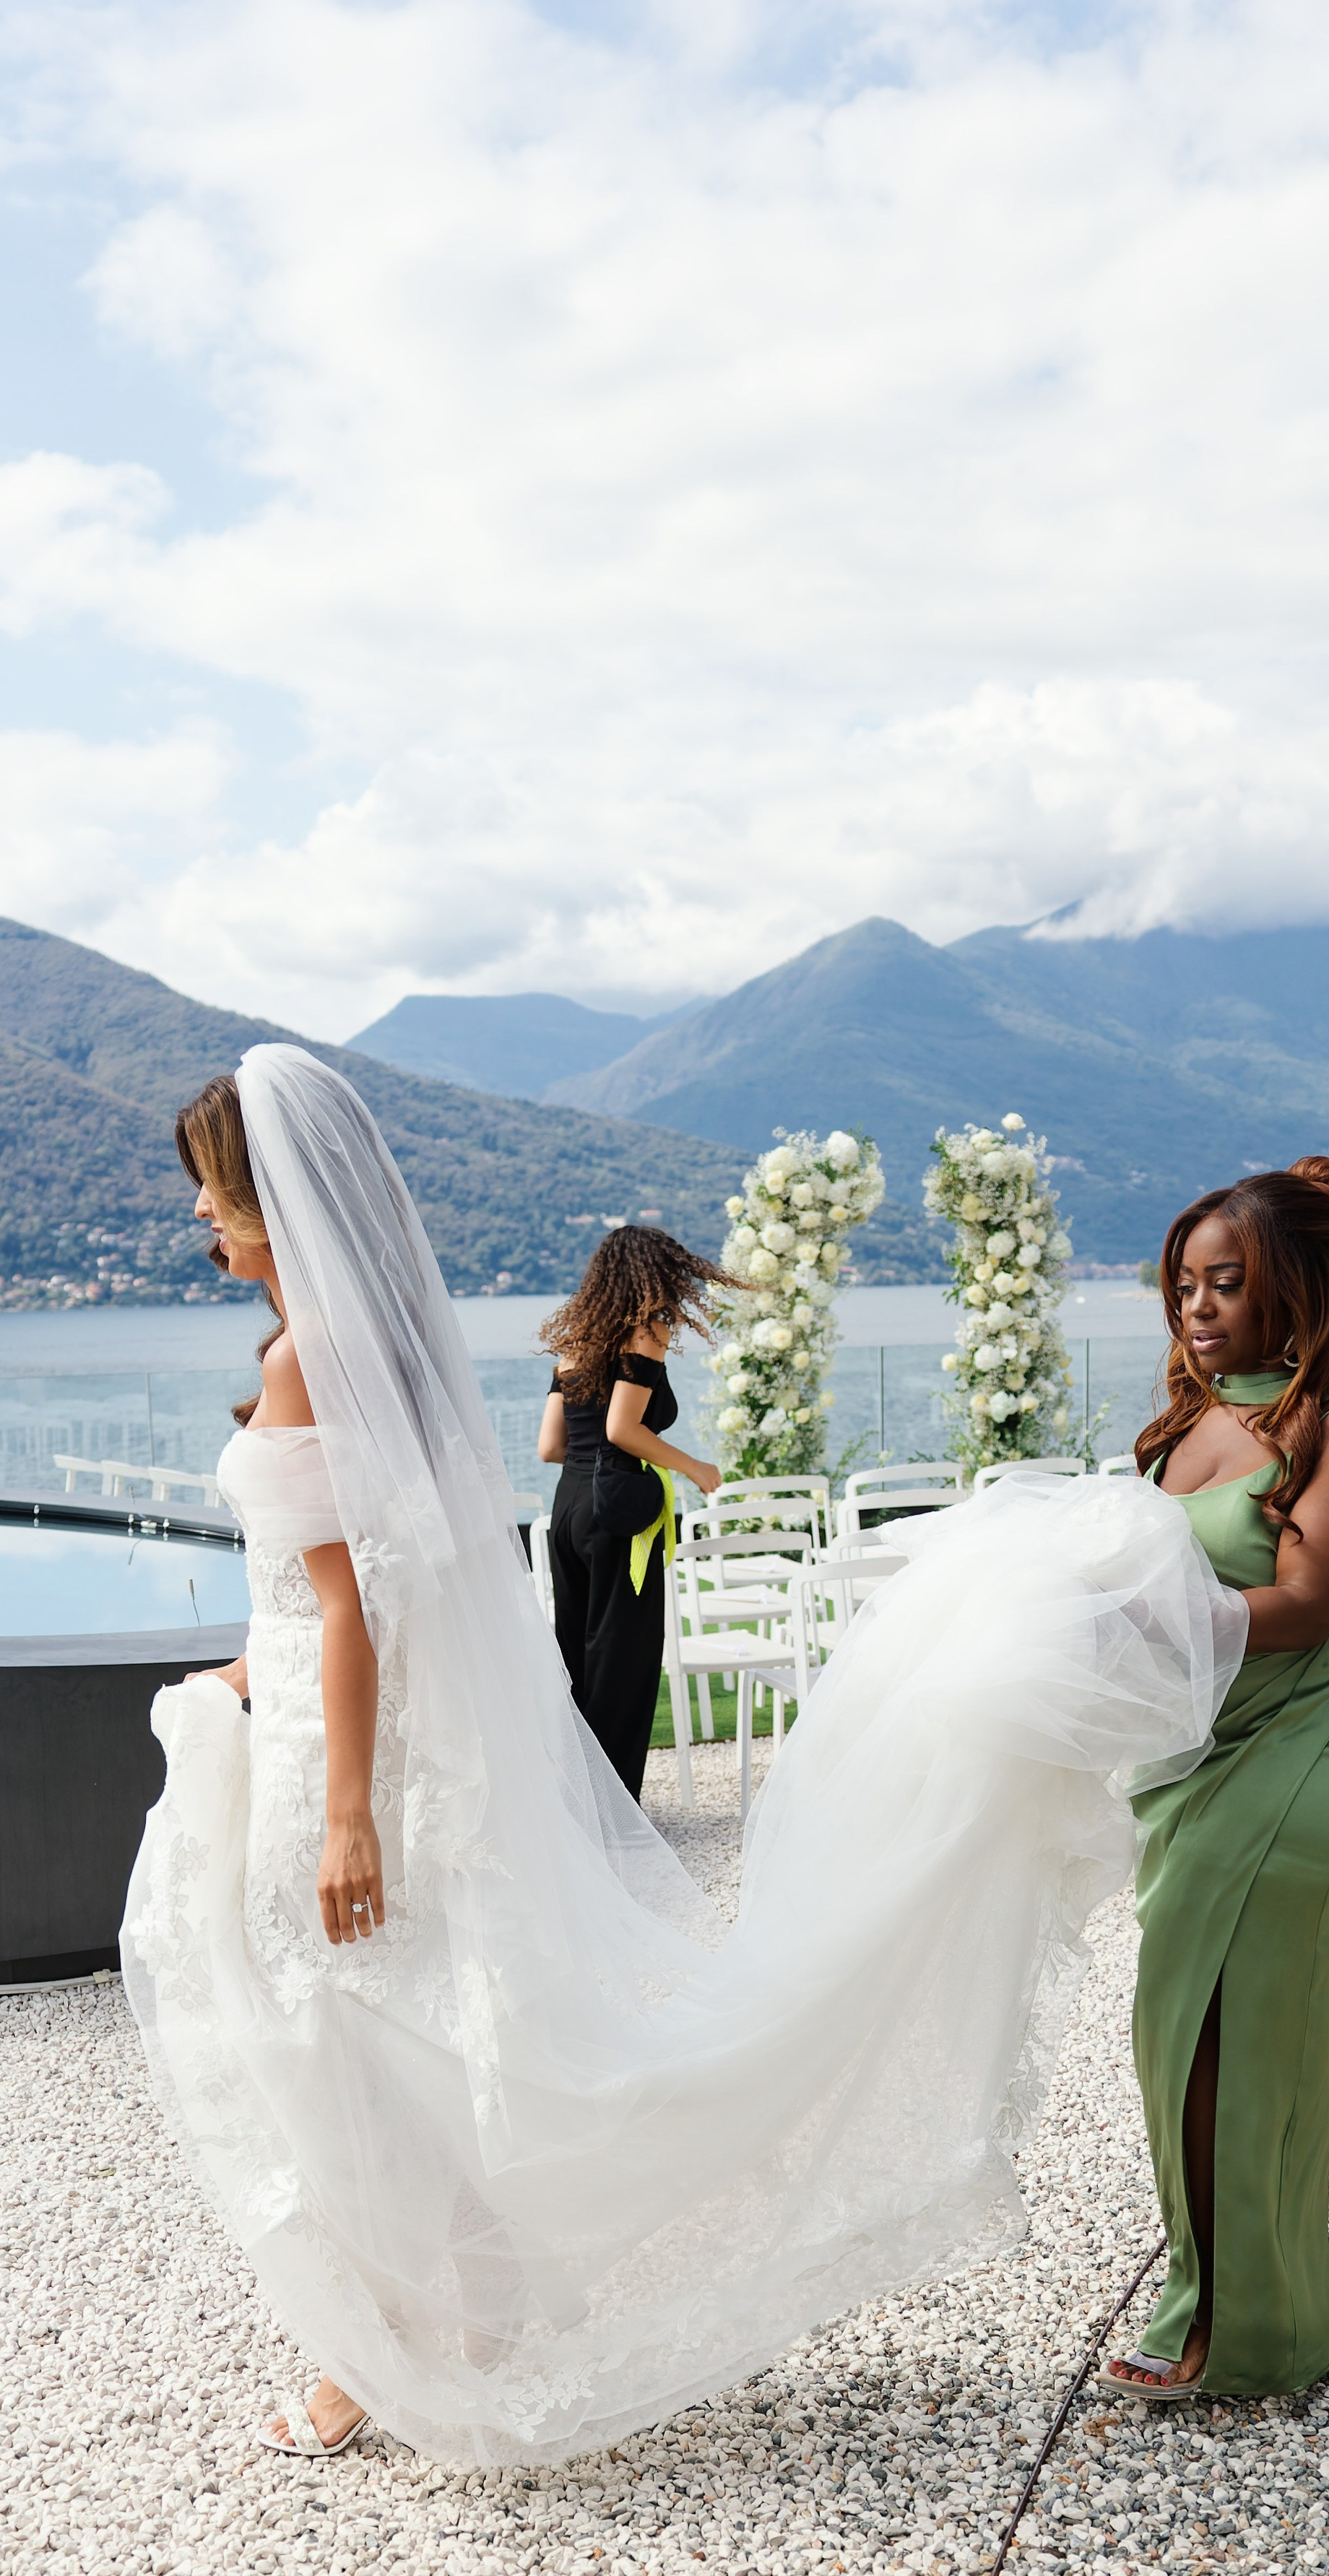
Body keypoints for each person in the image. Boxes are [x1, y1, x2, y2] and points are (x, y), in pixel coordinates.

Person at [124, 1047, 1248, 2465]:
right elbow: (341, 1591)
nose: (205, 1228)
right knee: (384, 2046)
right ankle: (423, 2336)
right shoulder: (364, 1359)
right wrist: (242, 1671)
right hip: (311, 1725)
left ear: (275, 1212)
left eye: (216, 1203)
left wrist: (346, 1811)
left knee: (346, 2052)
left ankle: (382, 2357)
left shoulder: (304, 1363)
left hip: (333, 1766)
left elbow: (352, 1607)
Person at [1099, 1157, 1329, 2403]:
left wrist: (1136, 1625)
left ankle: (1258, 2328)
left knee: (1255, 2044)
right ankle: (1215, 2289)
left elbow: (1304, 1606)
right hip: (1194, 1758)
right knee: (1174, 2038)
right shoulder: (1189, 1421)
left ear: (1299, 1287)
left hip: (1306, 1753)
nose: (1199, 1306)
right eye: (1185, 1285)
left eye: (1228, 1284)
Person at [537, 1231, 727, 1797]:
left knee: (577, 1657)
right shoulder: (646, 1332)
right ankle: (614, 1814)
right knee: (623, 1661)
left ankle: (574, 1803)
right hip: (616, 1514)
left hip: (569, 1507)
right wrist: (694, 1466)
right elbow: (623, 1428)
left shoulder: (575, 1337)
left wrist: (593, 1462)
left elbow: (549, 1446)